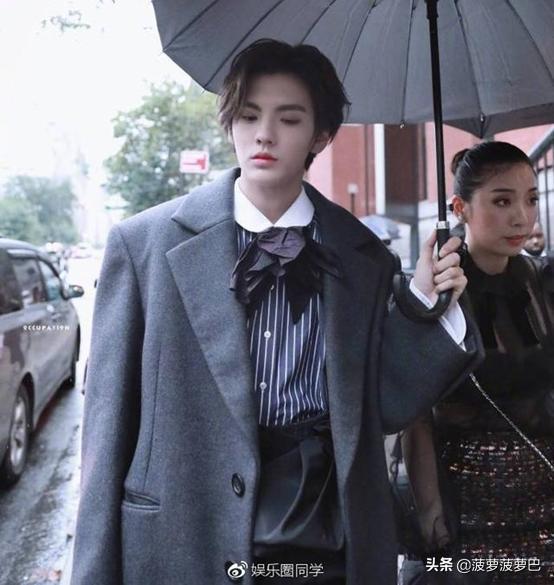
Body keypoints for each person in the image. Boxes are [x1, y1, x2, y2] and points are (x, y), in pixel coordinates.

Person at [70, 40, 482, 585]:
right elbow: (106, 431)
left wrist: (425, 298)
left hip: (323, 527)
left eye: (288, 119)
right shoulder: (142, 245)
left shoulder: (364, 257)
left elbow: (380, 408)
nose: (264, 134)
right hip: (185, 531)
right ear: (230, 123)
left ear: (321, 136)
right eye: (248, 116)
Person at [400, 142, 554, 584]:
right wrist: (430, 510)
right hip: (462, 513)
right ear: (460, 208)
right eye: (502, 201)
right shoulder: (434, 290)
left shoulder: (542, 282)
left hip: (544, 502)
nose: (522, 217)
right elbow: (415, 414)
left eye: (531, 199)